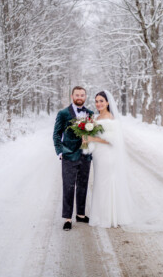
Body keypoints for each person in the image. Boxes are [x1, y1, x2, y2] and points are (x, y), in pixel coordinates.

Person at [83, 90, 134, 228]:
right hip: (98, 155)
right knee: (100, 182)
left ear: (107, 102)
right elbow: (91, 136)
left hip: (108, 155)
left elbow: (112, 140)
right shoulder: (96, 118)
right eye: (97, 101)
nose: (99, 104)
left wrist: (93, 138)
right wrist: (86, 141)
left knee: (106, 182)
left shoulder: (110, 118)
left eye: (101, 101)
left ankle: (109, 217)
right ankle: (100, 214)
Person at [53, 86, 94, 231]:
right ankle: (68, 218)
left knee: (83, 185)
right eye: (77, 95)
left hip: (85, 155)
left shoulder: (90, 114)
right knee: (68, 186)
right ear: (72, 96)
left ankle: (81, 215)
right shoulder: (63, 113)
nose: (80, 97)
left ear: (85, 96)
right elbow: (57, 134)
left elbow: (93, 134)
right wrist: (60, 151)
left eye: (82, 95)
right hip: (69, 155)